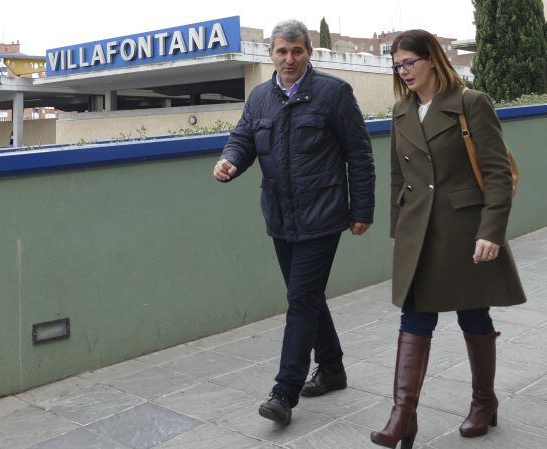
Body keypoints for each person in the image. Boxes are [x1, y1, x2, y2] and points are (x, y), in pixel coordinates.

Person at [213, 19, 375, 426]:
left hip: (322, 215)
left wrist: (362, 210)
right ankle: (333, 368)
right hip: (280, 217)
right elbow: (244, 139)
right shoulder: (259, 98)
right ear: (270, 53)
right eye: (282, 51)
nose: (289, 59)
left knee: (300, 300)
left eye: (297, 51)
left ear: (309, 53)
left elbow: (359, 154)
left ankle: (284, 391)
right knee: (309, 297)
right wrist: (231, 160)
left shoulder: (333, 93)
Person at [370, 29, 526, 449]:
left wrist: (491, 231)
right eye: (397, 65)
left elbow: (495, 172)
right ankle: (403, 416)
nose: (403, 72)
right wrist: (395, 232)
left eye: (409, 63)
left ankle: (483, 402)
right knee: (415, 316)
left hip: (462, 231)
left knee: (472, 316)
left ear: (432, 59)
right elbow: (398, 180)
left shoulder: (470, 104)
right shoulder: (401, 111)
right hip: (417, 232)